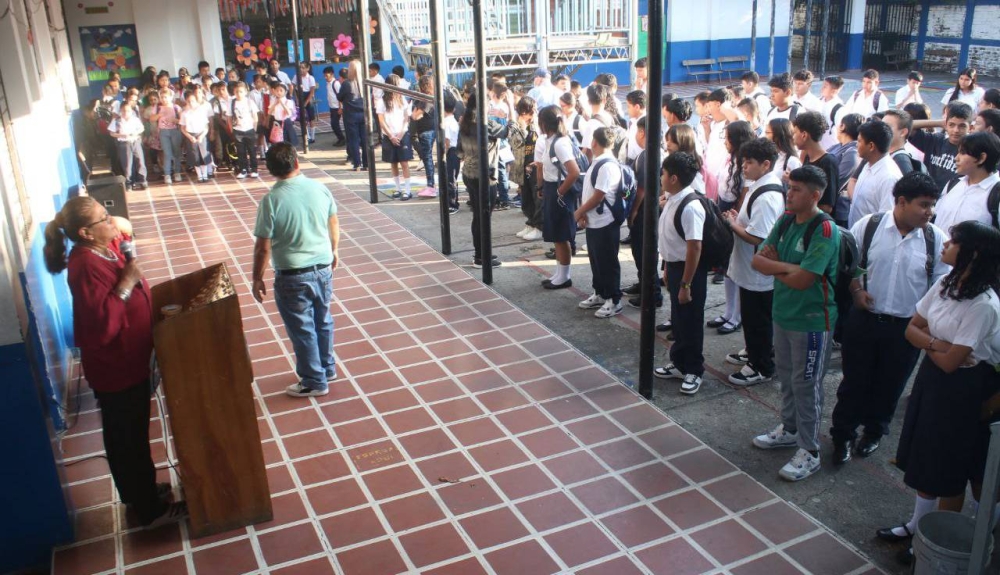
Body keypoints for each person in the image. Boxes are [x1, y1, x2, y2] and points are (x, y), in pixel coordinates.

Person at [43, 197, 187, 528]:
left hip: (133, 360)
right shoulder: (85, 266)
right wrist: (126, 282)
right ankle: (149, 509)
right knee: (128, 439)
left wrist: (118, 226)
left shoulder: (103, 245)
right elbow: (103, 324)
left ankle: (141, 491)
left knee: (133, 433)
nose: (111, 222)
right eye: (103, 219)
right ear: (85, 232)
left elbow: (124, 228)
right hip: (116, 369)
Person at [884, 221, 1000, 563]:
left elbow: (953, 363)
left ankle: (958, 541)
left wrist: (933, 346)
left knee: (951, 470)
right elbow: (912, 328)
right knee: (925, 457)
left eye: (954, 241)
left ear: (973, 253)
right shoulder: (947, 284)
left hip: (965, 391)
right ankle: (918, 525)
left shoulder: (984, 304)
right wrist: (939, 344)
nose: (945, 244)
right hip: (934, 380)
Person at [831, 172, 949, 465]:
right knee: (853, 382)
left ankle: (873, 432)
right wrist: (857, 290)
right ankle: (842, 434)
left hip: (906, 329)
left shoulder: (935, 239)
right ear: (900, 202)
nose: (929, 211)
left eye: (932, 205)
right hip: (864, 321)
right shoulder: (868, 227)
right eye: (923, 204)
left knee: (891, 383)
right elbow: (849, 265)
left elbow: (940, 287)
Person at [751, 165, 840, 482]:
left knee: (807, 384)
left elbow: (804, 281)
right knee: (787, 377)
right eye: (789, 188)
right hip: (783, 313)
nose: (788, 194)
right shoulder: (786, 220)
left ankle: (810, 450)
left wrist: (777, 265)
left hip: (812, 322)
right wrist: (788, 268)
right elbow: (756, 260)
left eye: (796, 189)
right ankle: (789, 429)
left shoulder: (825, 230)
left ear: (815, 195)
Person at [252, 143, 340, 397]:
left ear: (271, 170)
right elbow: (333, 221)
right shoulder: (319, 188)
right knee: (322, 320)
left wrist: (257, 278)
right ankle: (327, 367)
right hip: (323, 268)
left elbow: (262, 248)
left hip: (292, 275)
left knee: (302, 328)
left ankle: (314, 380)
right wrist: (334, 250)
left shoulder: (271, 201)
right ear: (297, 162)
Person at [723, 138, 786, 386]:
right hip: (750, 268)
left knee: (757, 319)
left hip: (757, 273)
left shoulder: (767, 195)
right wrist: (739, 220)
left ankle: (760, 366)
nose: (744, 167)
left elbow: (758, 236)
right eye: (743, 161)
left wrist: (732, 225)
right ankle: (753, 352)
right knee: (752, 318)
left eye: (749, 162)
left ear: (766, 164)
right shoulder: (760, 186)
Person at [654, 152, 709, 394]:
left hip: (690, 272)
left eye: (663, 173)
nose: (661, 177)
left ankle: (694, 370)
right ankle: (679, 363)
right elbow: (672, 240)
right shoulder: (674, 198)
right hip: (676, 267)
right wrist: (667, 267)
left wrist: (686, 284)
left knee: (691, 321)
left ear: (674, 178)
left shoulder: (691, 206)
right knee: (679, 319)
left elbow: (694, 247)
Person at [709, 121, 755, 332]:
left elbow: (744, 192)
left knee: (735, 266)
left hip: (735, 212)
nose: (725, 142)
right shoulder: (730, 159)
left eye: (727, 138)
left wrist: (733, 216)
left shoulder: (745, 163)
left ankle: (737, 316)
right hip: (724, 207)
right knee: (727, 267)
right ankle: (728, 311)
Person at [575, 127, 625, 318]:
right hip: (594, 220)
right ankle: (600, 292)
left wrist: (578, 212)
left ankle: (614, 299)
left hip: (606, 221)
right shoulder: (597, 163)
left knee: (607, 261)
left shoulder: (607, 166)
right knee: (596, 259)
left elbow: (598, 196)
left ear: (594, 142)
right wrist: (583, 214)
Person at [460, 93, 506, 268]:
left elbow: (459, 151)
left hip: (468, 173)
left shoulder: (464, 123)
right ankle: (482, 257)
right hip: (485, 176)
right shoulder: (486, 124)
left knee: (477, 216)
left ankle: (480, 253)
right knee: (484, 217)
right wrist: (504, 114)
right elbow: (509, 130)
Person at [623, 116, 664, 310]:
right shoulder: (653, 152)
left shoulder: (647, 155)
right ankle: (643, 284)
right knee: (640, 251)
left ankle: (652, 293)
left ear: (642, 132)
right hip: (652, 209)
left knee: (644, 252)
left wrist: (634, 211)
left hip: (646, 211)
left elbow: (641, 188)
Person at [537, 105, 580, 286]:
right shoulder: (551, 140)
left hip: (559, 191)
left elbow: (574, 172)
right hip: (550, 188)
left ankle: (565, 276)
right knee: (556, 234)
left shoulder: (560, 143)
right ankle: (559, 272)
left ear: (544, 124)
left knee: (561, 235)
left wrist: (559, 192)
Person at [933, 131, 1000, 232]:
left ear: (981, 158)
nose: (956, 158)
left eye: (963, 153)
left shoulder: (996, 195)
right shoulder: (953, 183)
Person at [848, 120, 902, 227]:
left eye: (859, 141)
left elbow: (886, 220)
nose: (856, 145)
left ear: (871, 146)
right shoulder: (868, 163)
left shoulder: (889, 178)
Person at [909, 101, 973, 190]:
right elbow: (906, 125)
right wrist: (939, 123)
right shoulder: (935, 140)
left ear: (970, 128)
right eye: (952, 125)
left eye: (962, 126)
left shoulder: (973, 151)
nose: (956, 130)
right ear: (945, 125)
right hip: (928, 196)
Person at [792, 111, 838, 214]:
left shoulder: (828, 162)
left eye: (795, 133)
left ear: (804, 135)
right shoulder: (808, 157)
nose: (793, 137)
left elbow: (827, 207)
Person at [377, 74, 414, 200]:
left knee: (404, 162)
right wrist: (391, 136)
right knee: (393, 162)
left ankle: (407, 190)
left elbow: (406, 118)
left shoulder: (402, 100)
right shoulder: (382, 101)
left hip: (401, 134)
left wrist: (401, 133)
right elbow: (381, 121)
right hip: (389, 136)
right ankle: (398, 188)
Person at [513, 96, 543, 240]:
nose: (524, 116)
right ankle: (530, 223)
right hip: (522, 165)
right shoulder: (517, 125)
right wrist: (522, 129)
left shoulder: (537, 124)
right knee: (526, 197)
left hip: (535, 165)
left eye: (527, 113)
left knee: (537, 196)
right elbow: (516, 144)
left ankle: (539, 227)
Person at [108, 101, 147, 191]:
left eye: (128, 111)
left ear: (131, 111)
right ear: (120, 111)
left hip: (135, 141)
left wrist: (135, 132)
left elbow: (141, 128)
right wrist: (121, 135)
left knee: (140, 161)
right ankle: (129, 182)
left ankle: (142, 180)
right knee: (127, 164)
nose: (126, 113)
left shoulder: (135, 119)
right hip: (124, 143)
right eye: (124, 111)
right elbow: (111, 133)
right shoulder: (117, 121)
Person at [339, 60, 369, 172]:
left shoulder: (346, 84)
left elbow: (339, 97)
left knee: (353, 140)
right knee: (364, 139)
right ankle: (366, 163)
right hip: (363, 114)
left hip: (350, 115)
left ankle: (357, 164)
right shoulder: (365, 82)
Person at [411, 75, 438, 197]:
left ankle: (431, 185)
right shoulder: (427, 97)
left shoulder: (426, 99)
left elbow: (416, 115)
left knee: (427, 158)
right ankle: (431, 185)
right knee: (428, 158)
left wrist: (415, 111)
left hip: (427, 130)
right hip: (429, 129)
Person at [229, 81, 261, 179]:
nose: (239, 94)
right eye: (237, 91)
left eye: (241, 91)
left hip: (249, 129)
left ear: (246, 92)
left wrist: (254, 128)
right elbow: (229, 117)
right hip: (238, 130)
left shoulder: (249, 102)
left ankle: (254, 169)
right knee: (240, 151)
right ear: (234, 92)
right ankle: (243, 169)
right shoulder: (232, 102)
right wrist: (232, 129)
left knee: (251, 150)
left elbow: (255, 116)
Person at [179, 90, 212, 182]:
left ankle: (205, 175)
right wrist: (190, 137)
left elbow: (206, 126)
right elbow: (182, 128)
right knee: (195, 156)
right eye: (189, 101)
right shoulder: (185, 113)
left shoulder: (201, 111)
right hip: (191, 136)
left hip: (201, 135)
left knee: (203, 155)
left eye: (193, 101)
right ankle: (199, 175)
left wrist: (201, 136)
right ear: (186, 102)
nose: (191, 103)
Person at [152, 88, 183, 184]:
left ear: (171, 97)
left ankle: (177, 172)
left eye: (166, 97)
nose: (164, 99)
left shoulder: (176, 107)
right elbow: (151, 118)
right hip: (163, 132)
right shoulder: (157, 107)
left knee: (177, 152)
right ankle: (167, 174)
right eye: (162, 97)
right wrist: (159, 115)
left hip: (175, 131)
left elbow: (183, 120)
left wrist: (175, 121)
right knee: (167, 153)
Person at [883, 109, 919, 175]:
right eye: (881, 125)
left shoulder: (902, 161)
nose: (881, 129)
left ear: (903, 132)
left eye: (887, 126)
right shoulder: (881, 153)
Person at [443, 95, 461, 214]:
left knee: (450, 178)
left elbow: (447, 141)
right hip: (456, 151)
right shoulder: (454, 120)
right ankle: (453, 200)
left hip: (450, 151)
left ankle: (452, 203)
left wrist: (443, 154)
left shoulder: (446, 122)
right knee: (453, 177)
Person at [293, 61, 318, 144]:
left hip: (308, 97)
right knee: (302, 118)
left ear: (308, 68)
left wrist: (306, 103)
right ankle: (307, 136)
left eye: (303, 68)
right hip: (300, 96)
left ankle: (313, 137)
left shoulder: (311, 78)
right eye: (300, 67)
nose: (301, 69)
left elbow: (312, 92)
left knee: (311, 118)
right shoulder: (296, 77)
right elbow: (293, 88)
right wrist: (296, 99)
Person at [818, 75, 846, 150]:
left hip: (830, 148)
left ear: (834, 91)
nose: (822, 89)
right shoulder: (819, 101)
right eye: (823, 86)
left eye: (825, 87)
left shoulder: (839, 108)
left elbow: (841, 132)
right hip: (818, 147)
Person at [323, 67, 346, 146]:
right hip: (332, 107)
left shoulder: (335, 83)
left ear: (332, 74)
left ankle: (342, 139)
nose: (325, 77)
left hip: (337, 108)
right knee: (334, 124)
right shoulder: (328, 84)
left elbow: (340, 96)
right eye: (324, 76)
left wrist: (340, 108)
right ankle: (340, 139)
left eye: (327, 75)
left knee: (334, 124)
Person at [625, 90, 646, 166]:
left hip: (640, 163)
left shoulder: (645, 123)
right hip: (630, 161)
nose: (627, 110)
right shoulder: (632, 121)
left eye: (628, 107)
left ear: (637, 107)